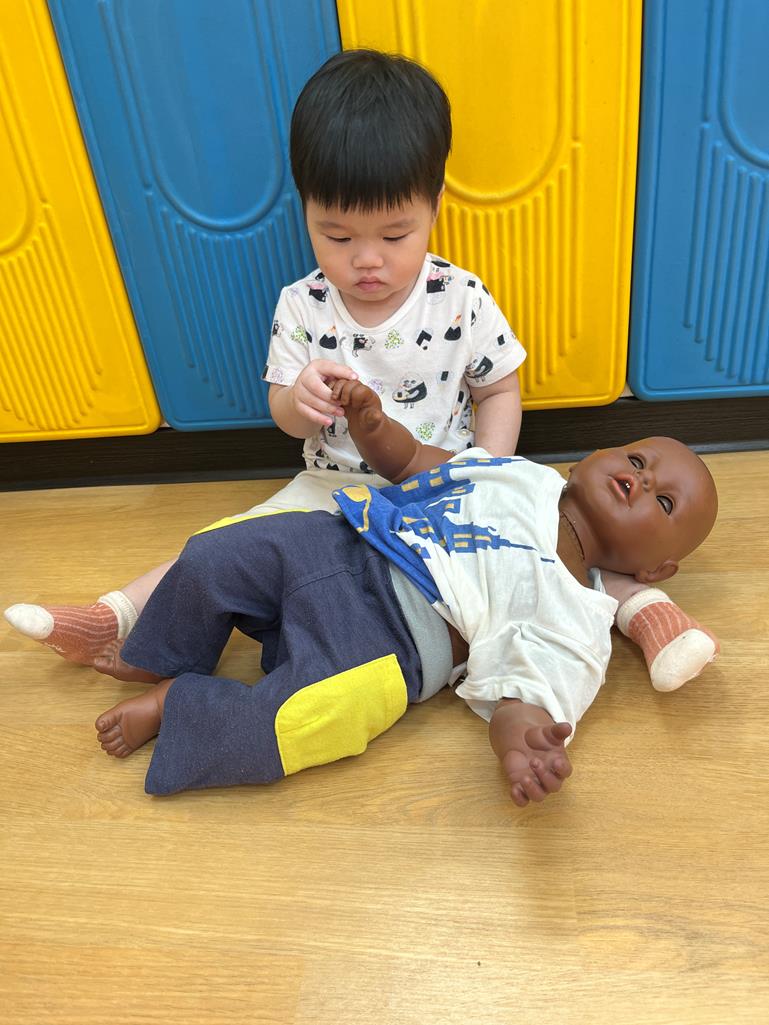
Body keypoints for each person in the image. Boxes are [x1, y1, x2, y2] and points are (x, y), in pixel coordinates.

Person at [4, 49, 716, 690]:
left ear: (435, 206)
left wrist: (486, 470)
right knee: (224, 544)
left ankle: (653, 619)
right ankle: (116, 614)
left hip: (443, 495)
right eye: (336, 235)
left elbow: (498, 385)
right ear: (306, 211)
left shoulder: (460, 297)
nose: (366, 260)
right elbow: (284, 415)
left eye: (395, 234)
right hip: (332, 488)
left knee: (541, 559)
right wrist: (300, 399)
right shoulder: (303, 304)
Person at [84, 381, 717, 806]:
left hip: (386, 642)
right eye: (637, 461)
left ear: (655, 571)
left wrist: (522, 744)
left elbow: (528, 696)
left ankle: (179, 705)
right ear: (592, 458)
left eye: (664, 502)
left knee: (295, 725)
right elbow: (413, 462)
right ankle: (164, 648)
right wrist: (374, 427)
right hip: (341, 540)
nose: (640, 481)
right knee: (214, 552)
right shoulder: (517, 474)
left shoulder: (578, 612)